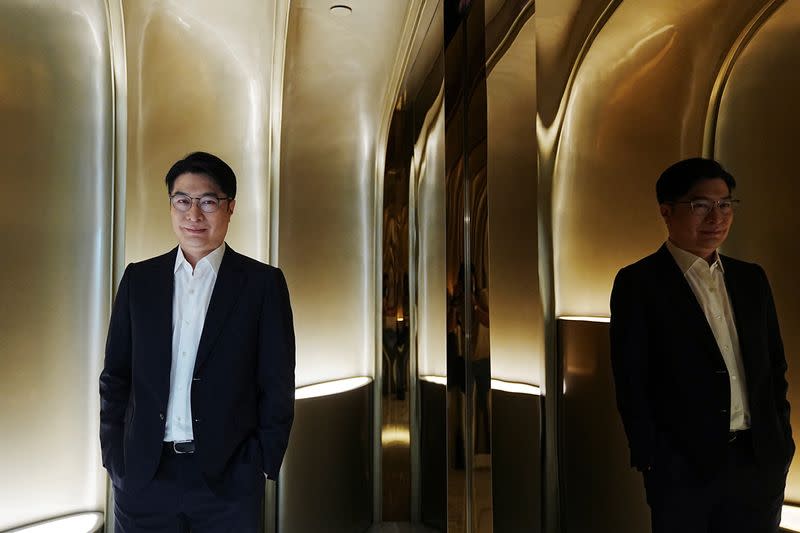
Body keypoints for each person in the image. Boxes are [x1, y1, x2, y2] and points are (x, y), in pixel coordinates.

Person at [99, 151, 295, 532]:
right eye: (182, 201)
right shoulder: (139, 280)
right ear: (171, 205)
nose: (194, 214)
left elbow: (277, 384)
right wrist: (114, 459)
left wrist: (260, 463)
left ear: (230, 207)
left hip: (226, 482)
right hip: (143, 477)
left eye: (208, 201)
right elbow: (116, 376)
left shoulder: (262, 285)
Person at [610, 157, 794, 532]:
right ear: (666, 211)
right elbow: (631, 378)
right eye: (700, 206)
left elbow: (773, 367)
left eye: (725, 205)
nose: (717, 217)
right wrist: (652, 457)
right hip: (682, 469)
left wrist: (781, 441)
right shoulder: (639, 283)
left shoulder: (750, 279)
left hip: (759, 460)